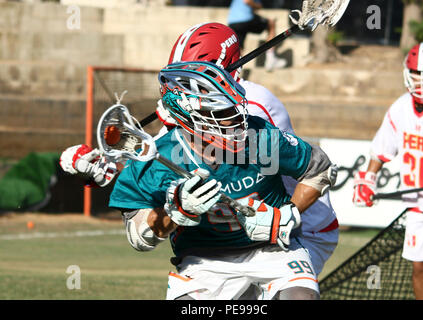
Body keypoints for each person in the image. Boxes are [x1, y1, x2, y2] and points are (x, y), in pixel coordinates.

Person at [60, 22, 339, 279]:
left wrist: (175, 121)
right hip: (248, 230)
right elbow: (166, 158)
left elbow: (223, 156)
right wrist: (109, 165)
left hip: (302, 224)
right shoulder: (207, 107)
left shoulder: (251, 104)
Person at [109, 60, 335, 300]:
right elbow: (138, 236)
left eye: (234, 108)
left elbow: (320, 169)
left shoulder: (259, 136)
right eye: (221, 113)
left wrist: (286, 214)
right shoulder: (160, 157)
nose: (237, 119)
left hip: (274, 251)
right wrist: (176, 212)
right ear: (189, 116)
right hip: (204, 261)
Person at [353, 42, 423, 300]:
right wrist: (368, 179)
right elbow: (381, 151)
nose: (422, 80)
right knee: (420, 268)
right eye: (417, 74)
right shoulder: (400, 108)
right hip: (421, 203)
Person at [227, 0, 287, 71]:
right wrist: (258, 6)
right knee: (271, 23)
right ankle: (271, 59)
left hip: (232, 21)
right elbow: (247, 1)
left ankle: (232, 72)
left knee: (239, 48)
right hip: (245, 19)